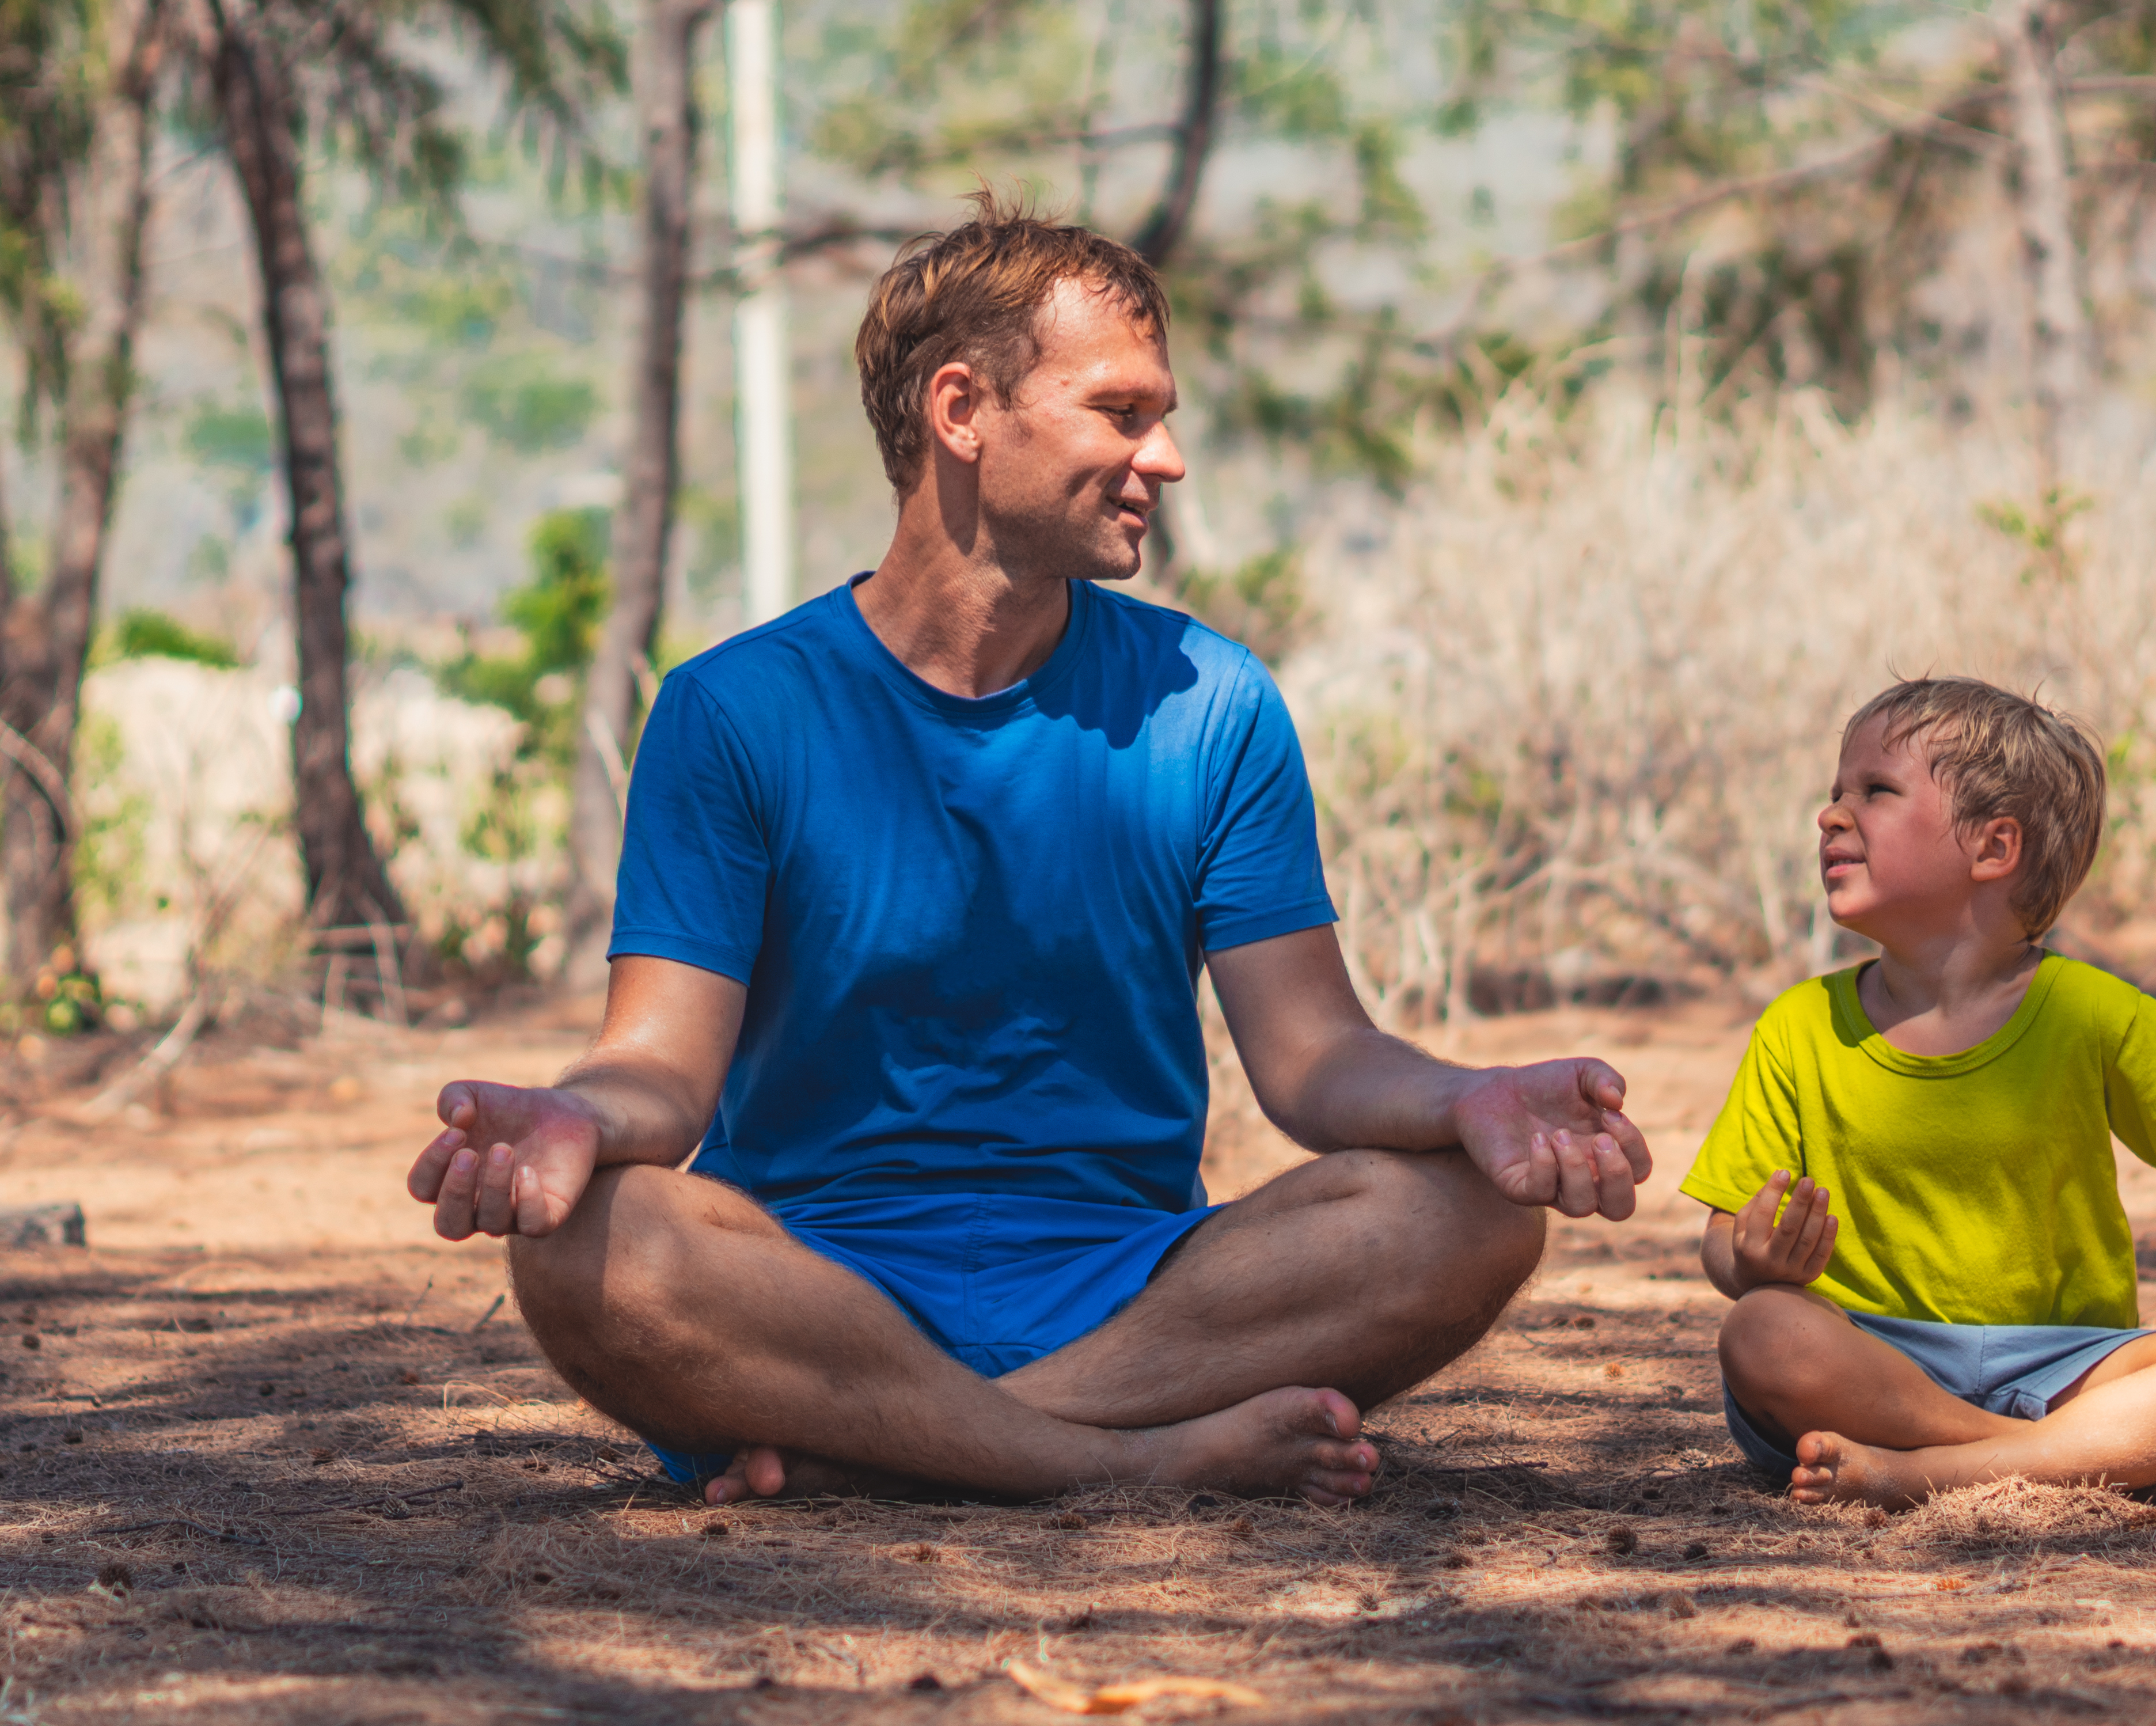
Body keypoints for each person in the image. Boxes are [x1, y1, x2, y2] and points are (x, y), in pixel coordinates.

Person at [404, 198, 1653, 1507]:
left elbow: (1315, 1057)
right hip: (805, 1294)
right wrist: (574, 1117)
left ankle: (900, 1452)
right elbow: (660, 1069)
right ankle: (1127, 1461)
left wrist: (1468, 1099)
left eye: (1160, 416)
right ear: (961, 412)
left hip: (1138, 1297)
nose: (1163, 458)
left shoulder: (1209, 702)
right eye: (1120, 413)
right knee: (583, 1244)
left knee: (1470, 1212)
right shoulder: (734, 710)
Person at [1680, 677, 2156, 1508]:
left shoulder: (2099, 1014)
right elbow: (1722, 1243)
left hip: (2070, 1363)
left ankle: (1914, 1476)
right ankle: (2093, 1457)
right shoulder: (1799, 1027)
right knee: (1761, 1331)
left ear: (1994, 849)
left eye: (1876, 791)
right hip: (1873, 1362)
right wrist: (1752, 1261)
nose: (1831, 814)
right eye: (1836, 792)